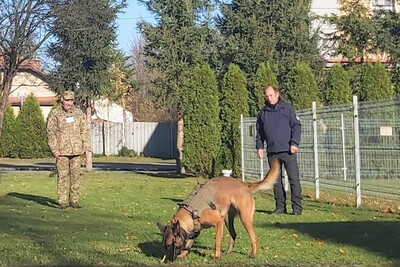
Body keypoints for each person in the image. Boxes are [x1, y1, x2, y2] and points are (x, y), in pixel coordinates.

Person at [256, 85, 302, 215]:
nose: (269, 98)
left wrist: (294, 143)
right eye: (267, 96)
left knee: (294, 179)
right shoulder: (263, 113)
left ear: (277, 94)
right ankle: (280, 207)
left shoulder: (287, 109)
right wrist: (259, 146)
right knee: (276, 180)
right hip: (272, 152)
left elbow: (296, 126)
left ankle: (297, 208)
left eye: (271, 95)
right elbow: (260, 132)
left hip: (288, 150)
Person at [47, 91, 91, 209]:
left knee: (76, 176)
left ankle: (74, 201)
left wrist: (86, 146)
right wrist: (54, 149)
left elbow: (85, 131)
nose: (69, 103)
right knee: (62, 176)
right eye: (67, 100)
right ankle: (62, 201)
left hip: (77, 151)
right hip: (61, 151)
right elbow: (50, 132)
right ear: (62, 99)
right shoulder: (55, 113)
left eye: (71, 100)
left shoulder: (79, 113)